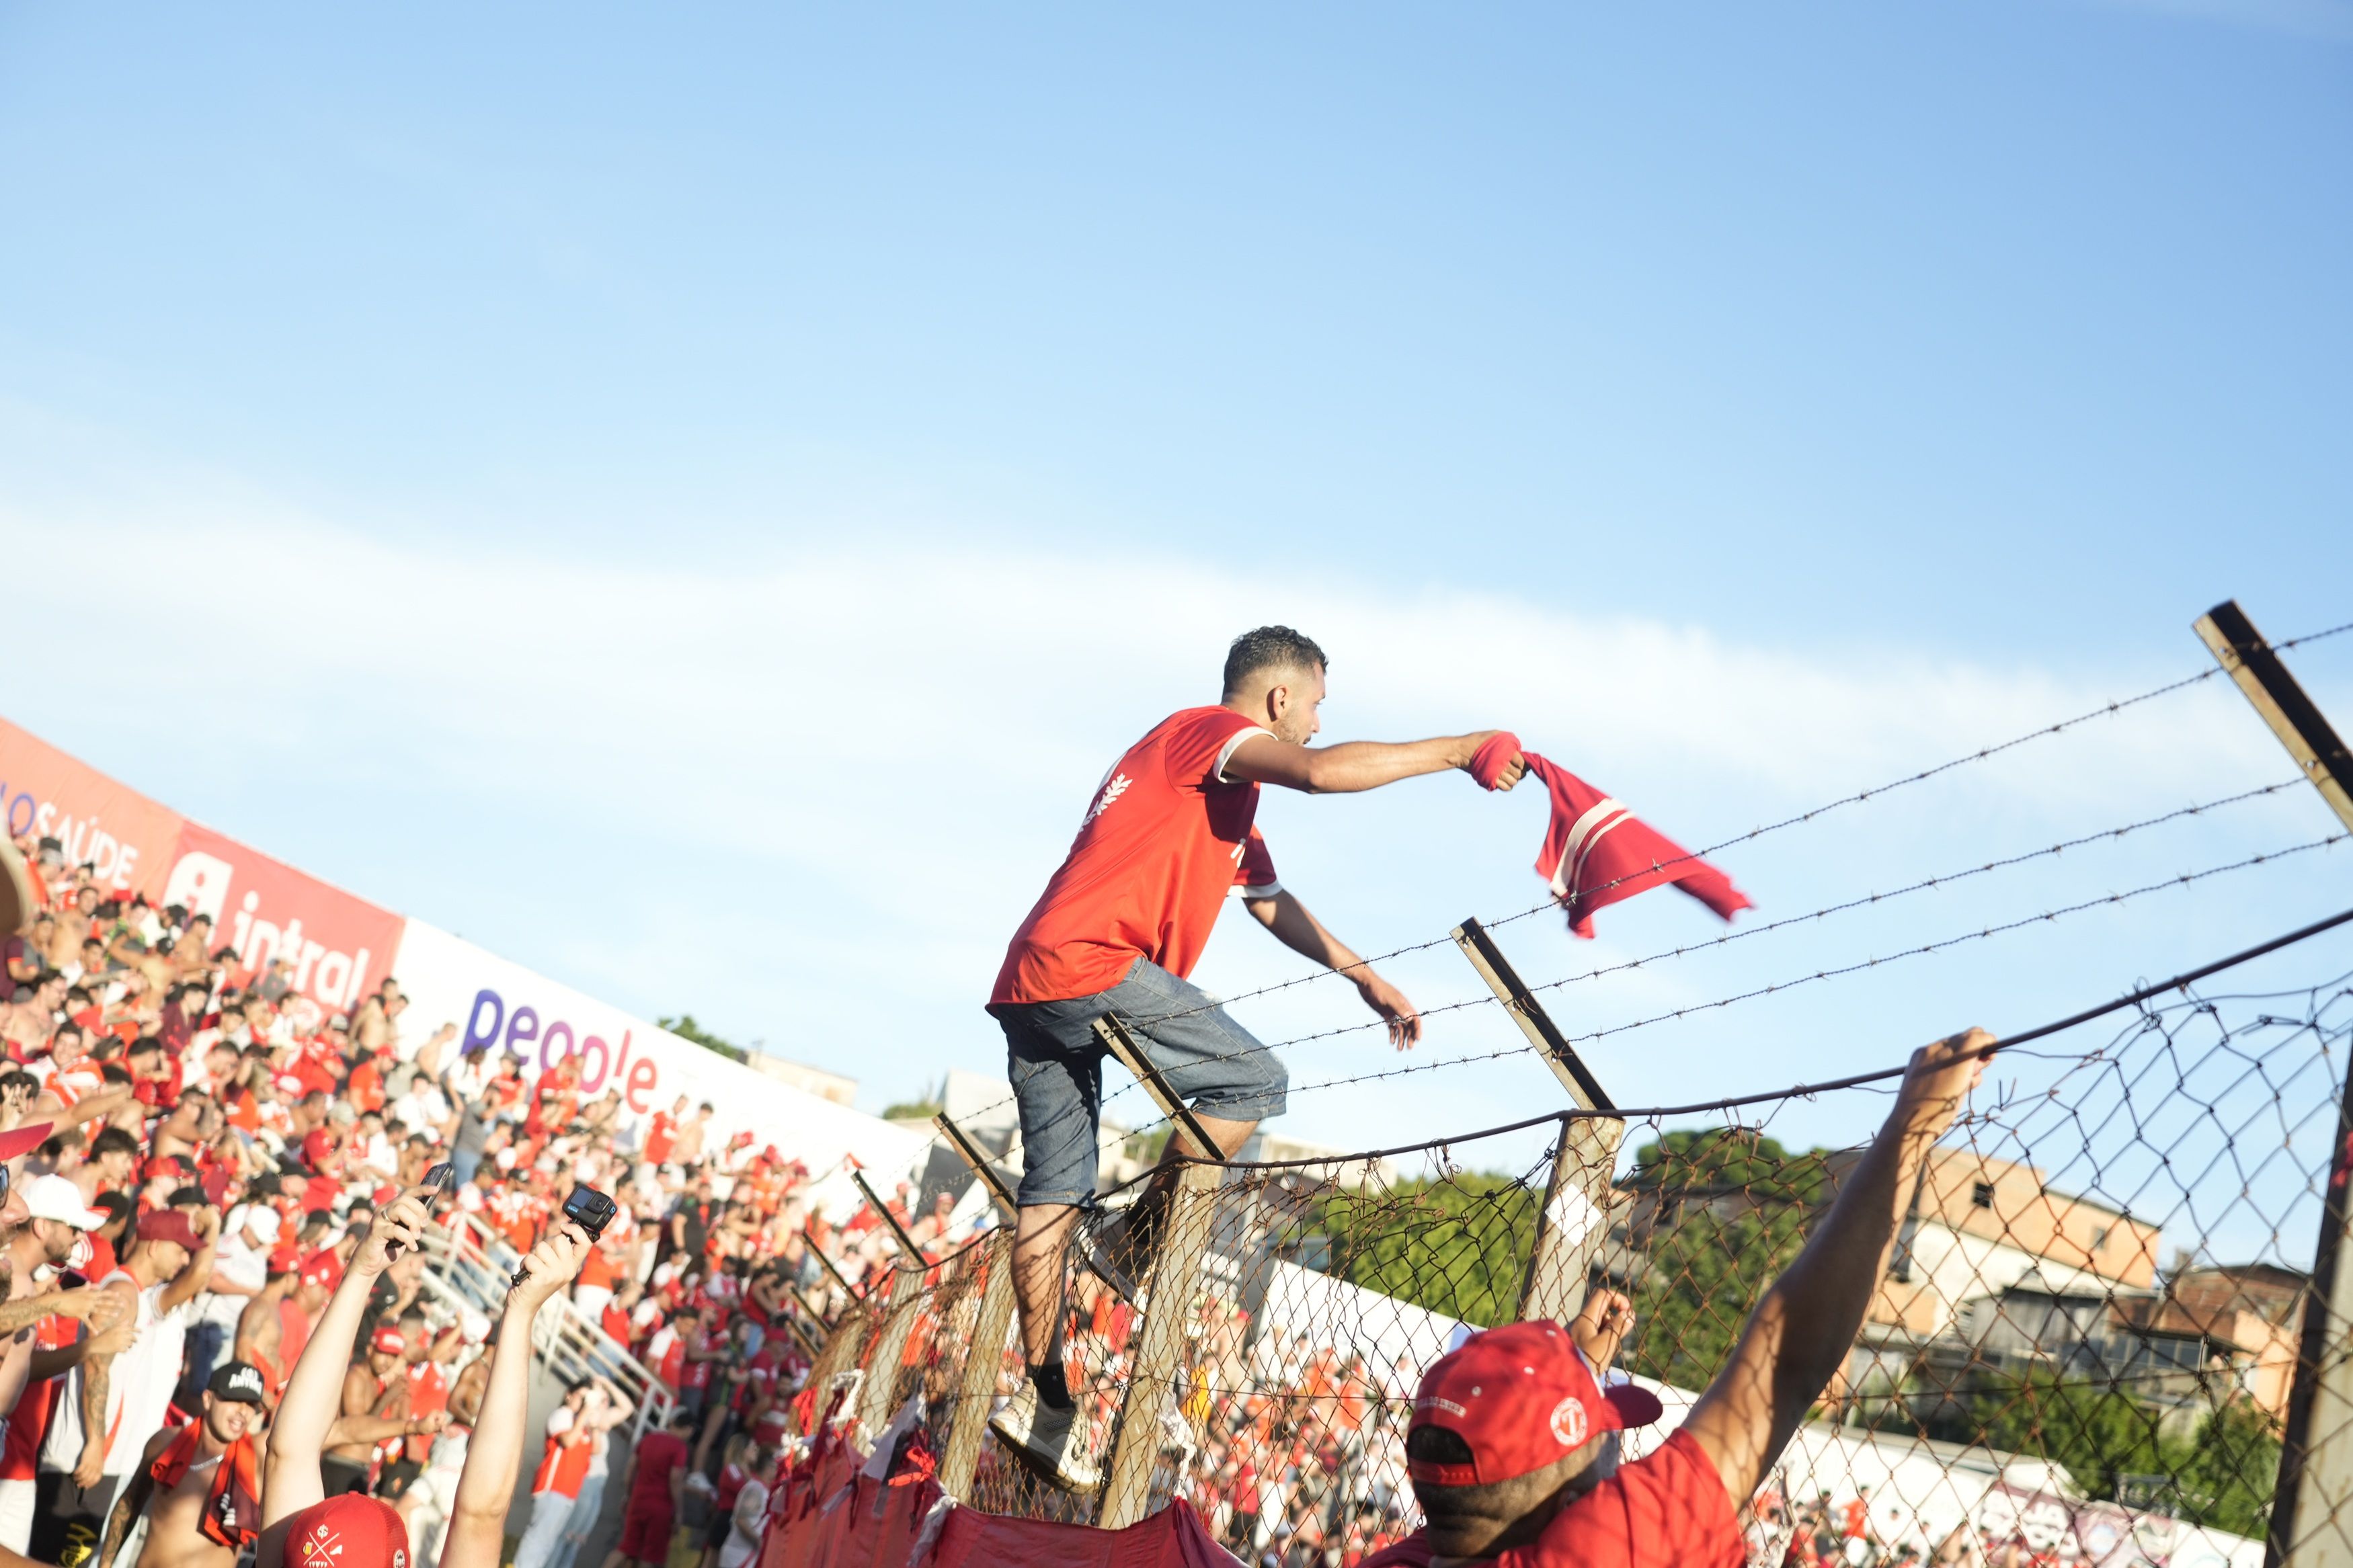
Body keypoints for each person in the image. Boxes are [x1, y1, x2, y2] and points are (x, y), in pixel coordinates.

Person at [985, 624, 1525, 1486]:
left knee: (1049, 1200)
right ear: (1278, 698)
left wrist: (1361, 975)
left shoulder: (1220, 797)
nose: (1315, 722)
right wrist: (1460, 750)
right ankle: (1131, 1244)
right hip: (1091, 961)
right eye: (1314, 704)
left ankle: (1045, 1409)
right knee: (1251, 1079)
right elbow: (1317, 772)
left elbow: (1268, 899)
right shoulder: (1203, 733)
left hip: (1030, 980)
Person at [1358, 1028, 1995, 1567]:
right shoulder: (1597, 1549)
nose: (1619, 1449)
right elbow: (1783, 1368)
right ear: (1568, 1505)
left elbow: (1477, 1502)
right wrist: (1911, 1125)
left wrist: (1573, 1378)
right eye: (1603, 1435)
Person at [97, 1360, 268, 1568]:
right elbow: (129, 1505)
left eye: (251, 1404)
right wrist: (105, 1564)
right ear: (208, 1399)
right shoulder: (165, 1443)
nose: (243, 1411)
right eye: (234, 1399)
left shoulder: (258, 1460)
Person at [598, 1406, 696, 1568]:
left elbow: (630, 1470)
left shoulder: (648, 1439)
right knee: (649, 1555)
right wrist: (679, 1512)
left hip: (638, 1499)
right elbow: (675, 1479)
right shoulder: (679, 1447)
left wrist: (629, 1495)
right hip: (661, 1506)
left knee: (626, 1547)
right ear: (688, 1429)